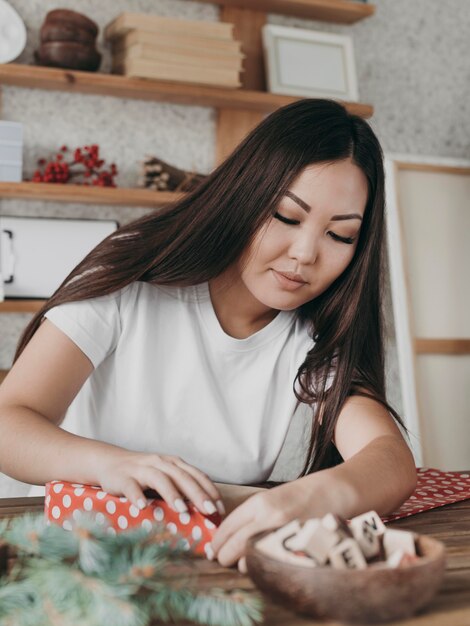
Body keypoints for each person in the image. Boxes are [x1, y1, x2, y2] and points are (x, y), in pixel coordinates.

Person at [0, 99, 417, 573]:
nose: (304, 254)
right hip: (70, 557)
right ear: (246, 195)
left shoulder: (316, 336)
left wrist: (312, 497)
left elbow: (390, 461)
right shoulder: (134, 275)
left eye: (339, 236)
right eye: (286, 215)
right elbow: (8, 423)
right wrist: (110, 466)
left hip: (205, 565)